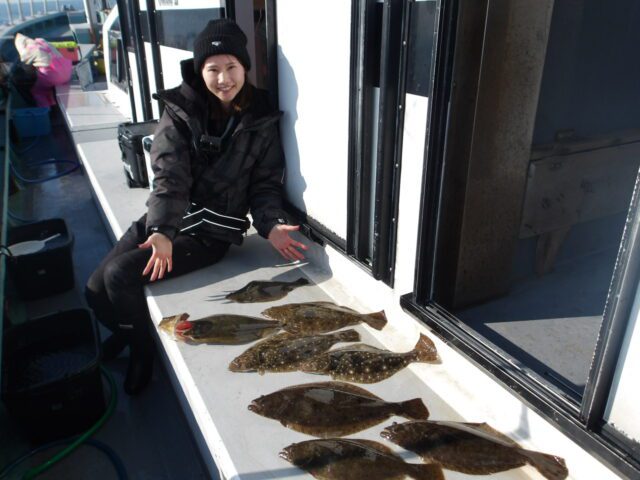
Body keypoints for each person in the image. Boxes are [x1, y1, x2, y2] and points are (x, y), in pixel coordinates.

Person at [85, 18, 307, 395]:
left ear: (245, 68)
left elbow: (265, 184)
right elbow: (169, 175)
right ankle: (129, 332)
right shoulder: (180, 109)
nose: (224, 78)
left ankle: (142, 352)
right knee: (93, 290)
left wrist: (270, 224)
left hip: (209, 235)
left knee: (119, 276)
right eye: (212, 69)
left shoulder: (262, 117)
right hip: (168, 219)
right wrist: (161, 230)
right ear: (199, 71)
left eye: (231, 67)